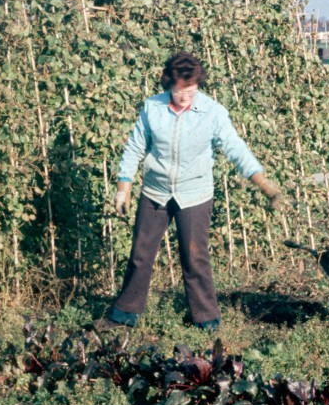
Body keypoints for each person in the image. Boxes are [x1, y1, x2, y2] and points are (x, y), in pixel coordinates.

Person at [94, 52, 281, 332]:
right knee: (140, 254)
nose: (185, 98)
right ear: (169, 85)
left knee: (194, 256)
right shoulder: (152, 108)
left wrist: (264, 185)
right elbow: (134, 147)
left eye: (191, 91)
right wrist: (124, 188)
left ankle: (206, 319)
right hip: (155, 192)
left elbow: (235, 148)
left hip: (195, 194)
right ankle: (124, 314)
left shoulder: (213, 112)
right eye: (179, 92)